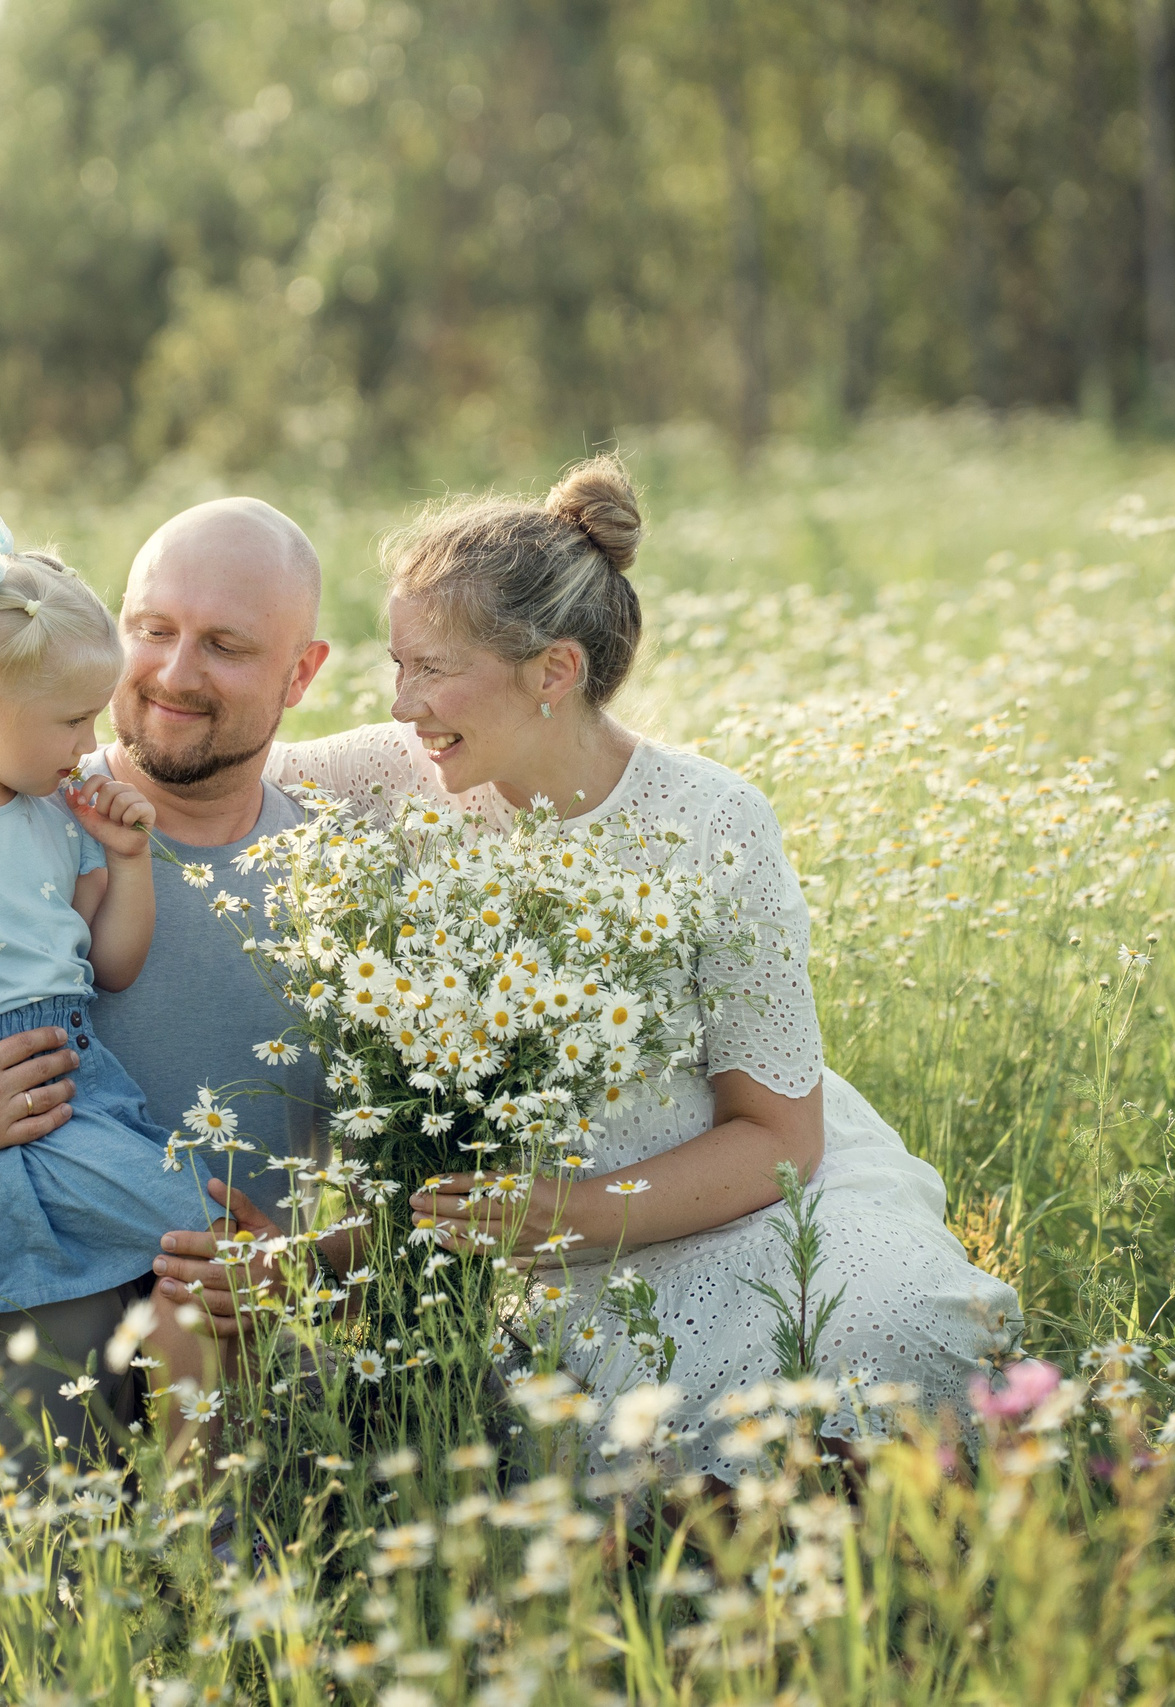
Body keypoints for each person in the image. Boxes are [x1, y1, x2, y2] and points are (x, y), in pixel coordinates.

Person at [262, 456, 1022, 1476]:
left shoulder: (712, 821)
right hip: (520, 1262)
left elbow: (779, 1138)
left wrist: (569, 1217)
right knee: (591, 1466)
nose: (402, 703)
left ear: (554, 673)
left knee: (886, 1340)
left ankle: (851, 1554)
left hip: (742, 1208)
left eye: (432, 668)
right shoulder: (386, 778)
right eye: (395, 665)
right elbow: (183, 782)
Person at [0, 499, 334, 1481]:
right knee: (46, 1329)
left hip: (223, 1355)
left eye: (224, 645)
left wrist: (298, 1261)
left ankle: (203, 1567)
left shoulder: (348, 888)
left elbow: (411, 1206)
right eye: (153, 632)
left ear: (302, 672)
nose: (173, 674)